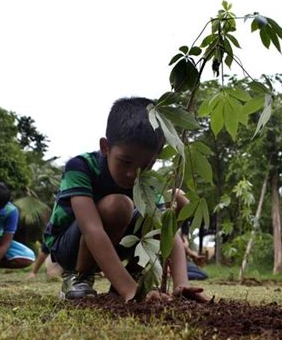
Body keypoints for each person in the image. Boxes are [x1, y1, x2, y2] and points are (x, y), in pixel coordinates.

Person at [44, 97, 208, 302]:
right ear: (105, 147)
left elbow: (164, 227)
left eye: (145, 166)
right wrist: (130, 291)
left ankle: (131, 276)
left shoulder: (145, 180)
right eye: (125, 162)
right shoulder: (81, 166)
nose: (133, 174)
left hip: (114, 243)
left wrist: (182, 283)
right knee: (119, 206)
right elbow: (92, 229)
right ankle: (79, 278)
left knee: (179, 201)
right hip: (70, 248)